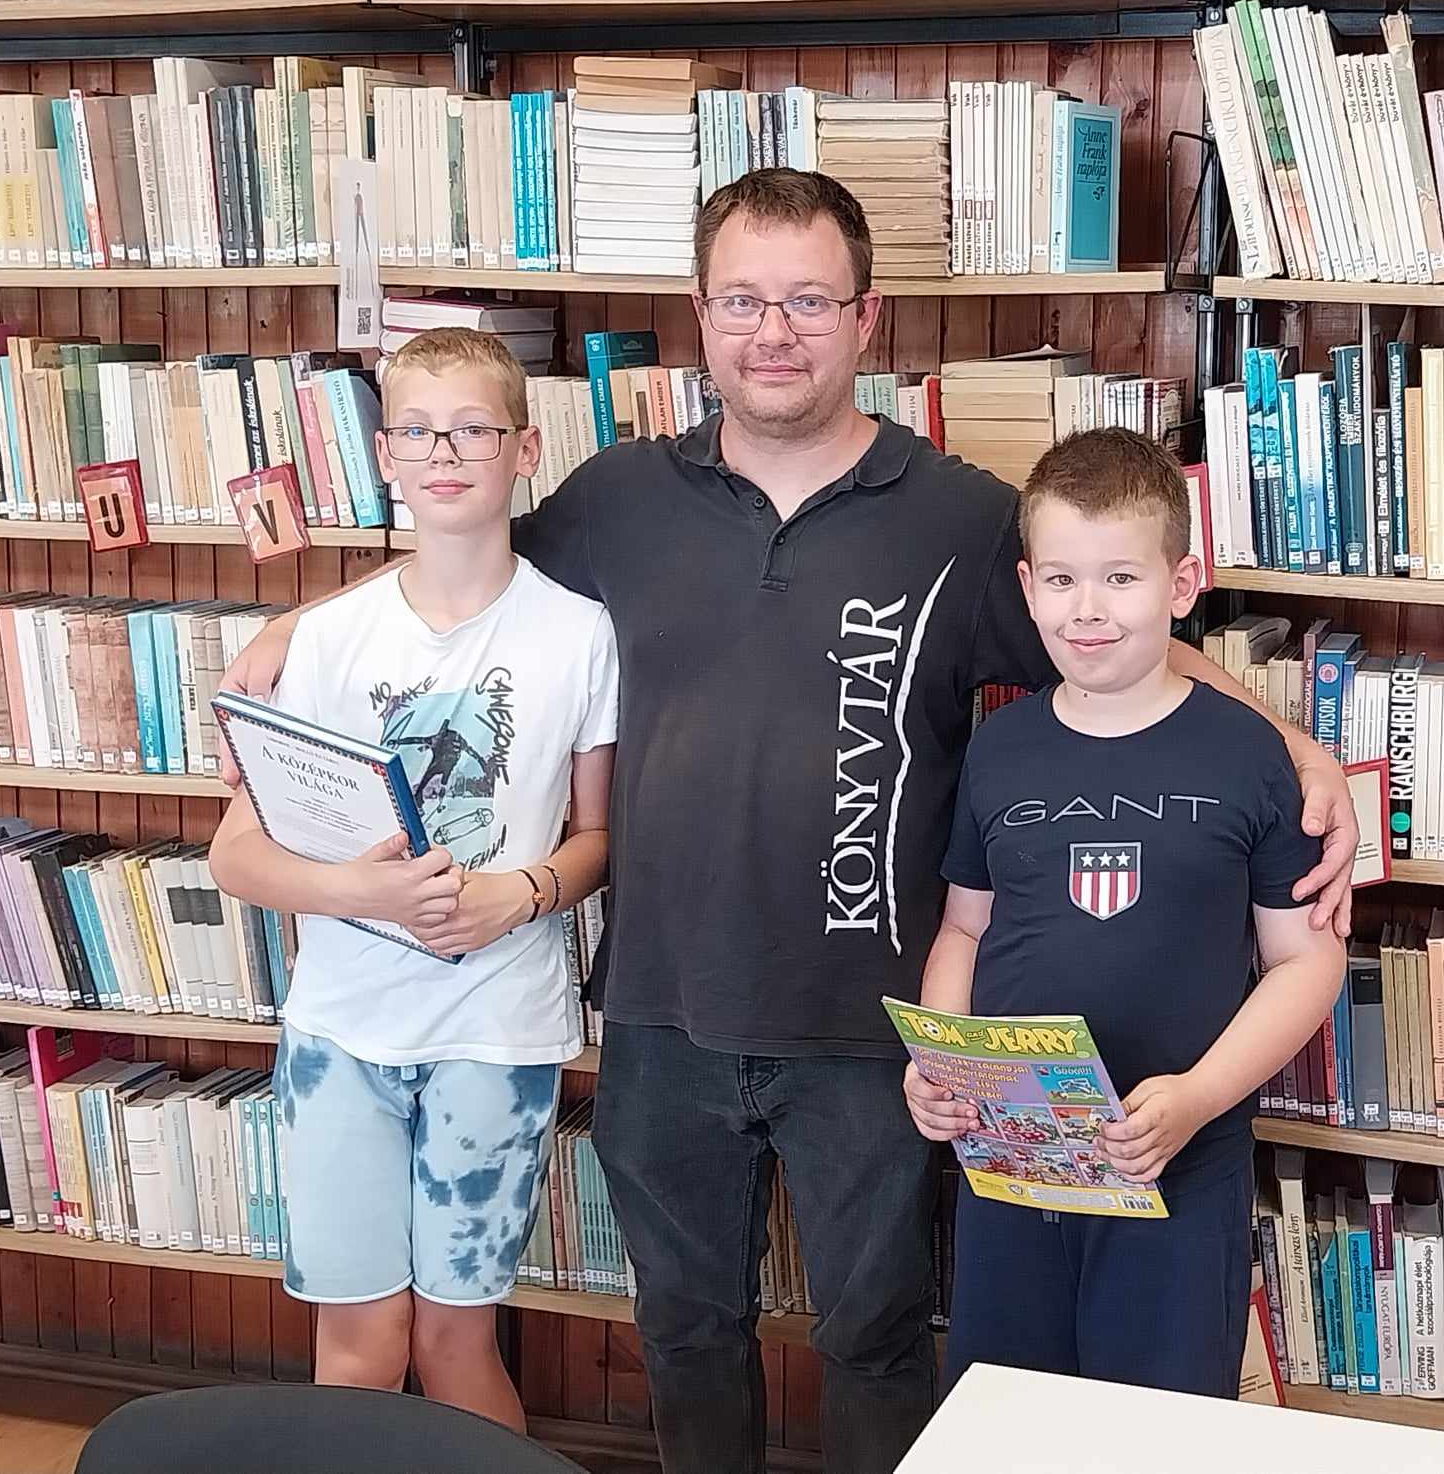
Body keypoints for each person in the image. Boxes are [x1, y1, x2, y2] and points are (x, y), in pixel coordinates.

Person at [217, 170, 1357, 1474]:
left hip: (872, 1026)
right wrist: (297, 624)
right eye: (743, 300)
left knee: (875, 1336)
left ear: (866, 319)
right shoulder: (615, 497)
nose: (774, 331)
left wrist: (1290, 742)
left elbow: (1115, 635)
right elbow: (464, 557)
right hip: (663, 1010)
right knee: (685, 1330)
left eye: (809, 301)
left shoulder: (960, 517)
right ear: (700, 316)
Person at [208, 327, 619, 1432]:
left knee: (453, 1342)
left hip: (498, 1031)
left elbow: (596, 838)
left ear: (525, 449)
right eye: (419, 431)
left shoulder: (582, 636)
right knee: (358, 1346)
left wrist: (520, 893)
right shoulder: (327, 640)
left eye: (474, 429)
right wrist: (368, 895)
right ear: (384, 453)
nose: (446, 452)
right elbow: (236, 854)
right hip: (341, 1034)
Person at [902, 427, 1347, 1396]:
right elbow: (965, 929)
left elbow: (1306, 962)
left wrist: (1196, 1097)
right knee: (1005, 1421)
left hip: (1178, 1166)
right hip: (1018, 1165)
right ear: (1027, 589)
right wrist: (940, 1062)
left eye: (1120, 579)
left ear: (1182, 586)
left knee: (1157, 1430)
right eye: (1061, 580)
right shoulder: (999, 749)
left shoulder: (1247, 754)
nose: (1088, 610)